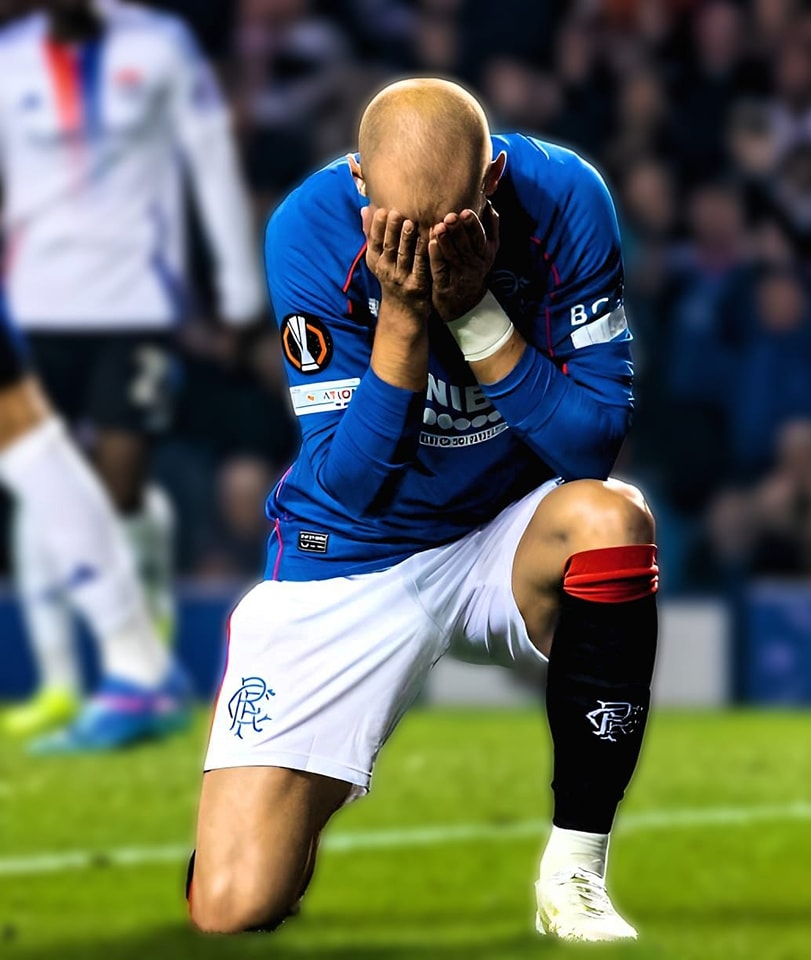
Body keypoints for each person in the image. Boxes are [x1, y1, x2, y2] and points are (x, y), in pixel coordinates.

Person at [190, 78, 659, 944]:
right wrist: (405, 318)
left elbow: (591, 446)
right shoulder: (307, 227)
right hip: (350, 549)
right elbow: (353, 485)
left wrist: (473, 311)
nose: (424, 250)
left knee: (612, 519)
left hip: (504, 531)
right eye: (399, 232)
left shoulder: (566, 197)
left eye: (450, 228)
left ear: (493, 182)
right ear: (358, 181)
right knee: (233, 905)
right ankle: (290, 797)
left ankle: (574, 870)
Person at [0, 0, 263, 739]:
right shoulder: (10, 56)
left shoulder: (158, 45)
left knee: (115, 486)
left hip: (133, 299)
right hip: (34, 299)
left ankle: (140, 654)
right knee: (35, 470)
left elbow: (209, 159)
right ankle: (65, 678)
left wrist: (239, 287)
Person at [0, 309, 189, 749]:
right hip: (44, 307)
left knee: (19, 429)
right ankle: (138, 665)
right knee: (20, 433)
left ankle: (139, 667)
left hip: (124, 310)